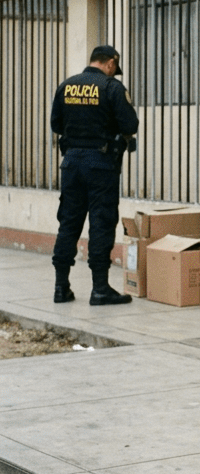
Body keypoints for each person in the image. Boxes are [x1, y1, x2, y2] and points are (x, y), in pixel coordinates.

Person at [50, 44, 139, 306]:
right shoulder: (112, 88)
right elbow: (130, 125)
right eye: (114, 68)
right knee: (101, 223)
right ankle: (100, 288)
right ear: (111, 63)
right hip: (101, 163)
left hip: (71, 162)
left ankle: (60, 286)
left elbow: (56, 124)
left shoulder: (66, 86)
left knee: (68, 223)